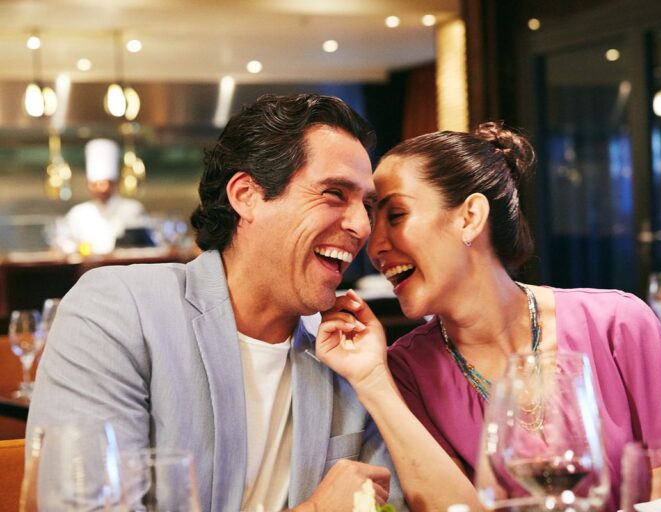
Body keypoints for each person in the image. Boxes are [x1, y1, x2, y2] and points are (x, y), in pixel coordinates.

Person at [27, 94, 406, 512]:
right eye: (334, 193)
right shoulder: (116, 310)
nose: (361, 226)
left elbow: (398, 504)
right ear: (246, 195)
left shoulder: (346, 353)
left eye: (367, 206)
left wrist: (374, 379)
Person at [315, 122, 661, 511]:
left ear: (469, 217)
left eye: (395, 215)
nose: (374, 244)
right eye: (372, 219)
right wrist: (373, 383)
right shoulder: (406, 372)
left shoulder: (619, 325)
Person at [63, 138, 148, 254]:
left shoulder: (133, 209)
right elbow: (64, 244)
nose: (101, 188)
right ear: (89, 185)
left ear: (114, 183)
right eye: (95, 184)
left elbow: (145, 244)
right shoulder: (77, 213)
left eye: (105, 183)